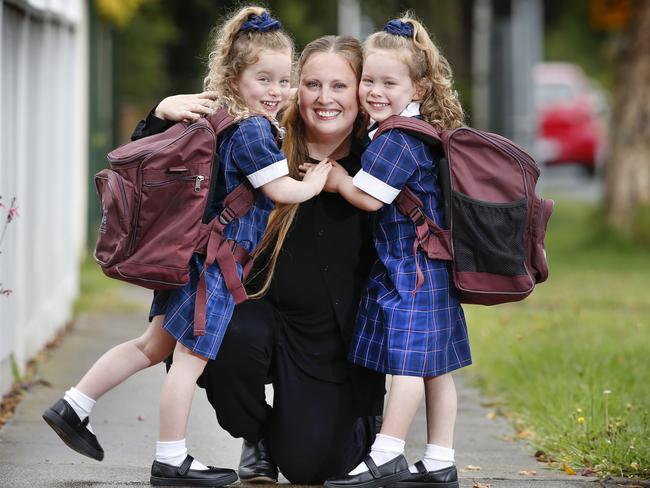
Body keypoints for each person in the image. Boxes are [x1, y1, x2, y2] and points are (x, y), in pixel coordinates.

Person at [42, 7, 332, 487]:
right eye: (264, 79)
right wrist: (317, 180)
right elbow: (282, 192)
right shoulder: (255, 130)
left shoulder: (220, 120)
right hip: (215, 267)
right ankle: (170, 458)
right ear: (236, 78)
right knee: (187, 360)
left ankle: (73, 404)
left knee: (152, 345)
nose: (277, 91)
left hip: (192, 256)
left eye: (285, 80)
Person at [137, 35, 386, 484]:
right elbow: (167, 172)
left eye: (339, 86)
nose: (324, 98)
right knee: (226, 334)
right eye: (312, 84)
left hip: (334, 343)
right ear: (297, 88)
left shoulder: (380, 161)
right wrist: (159, 115)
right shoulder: (260, 141)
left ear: (360, 91)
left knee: (313, 469)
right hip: (258, 316)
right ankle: (255, 433)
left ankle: (347, 420)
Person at [321, 14, 471, 488]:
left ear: (419, 89)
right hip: (428, 267)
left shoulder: (399, 138)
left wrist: (332, 175)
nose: (374, 91)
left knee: (409, 362)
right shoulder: (408, 129)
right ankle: (441, 458)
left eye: (390, 82)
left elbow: (368, 197)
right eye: (369, 80)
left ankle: (387, 453)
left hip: (414, 270)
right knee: (435, 367)